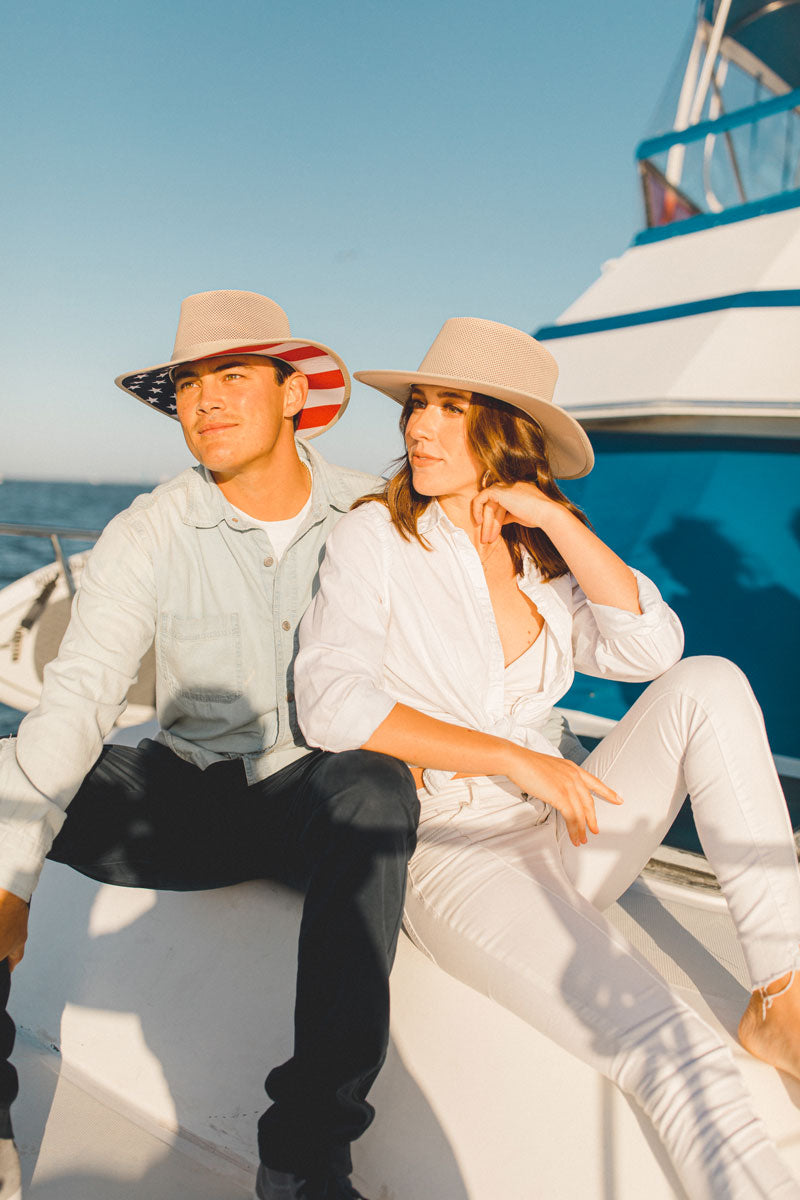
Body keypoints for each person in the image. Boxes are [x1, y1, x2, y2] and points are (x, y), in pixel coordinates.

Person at [295, 316, 800, 1200]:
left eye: (449, 408)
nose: (418, 426)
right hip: (461, 850)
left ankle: (784, 995)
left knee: (712, 682)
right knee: (670, 1048)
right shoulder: (375, 536)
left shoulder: (535, 557)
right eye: (419, 404)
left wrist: (550, 515)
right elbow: (329, 701)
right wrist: (510, 759)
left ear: (502, 432)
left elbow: (653, 649)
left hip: (565, 829)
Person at [0, 290, 419, 1200]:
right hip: (184, 794)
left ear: (290, 395)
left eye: (233, 376)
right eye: (188, 385)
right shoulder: (149, 529)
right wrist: (13, 879)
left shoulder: (373, 511)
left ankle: (306, 1159)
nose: (205, 401)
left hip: (320, 790)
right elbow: (78, 697)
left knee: (376, 788)